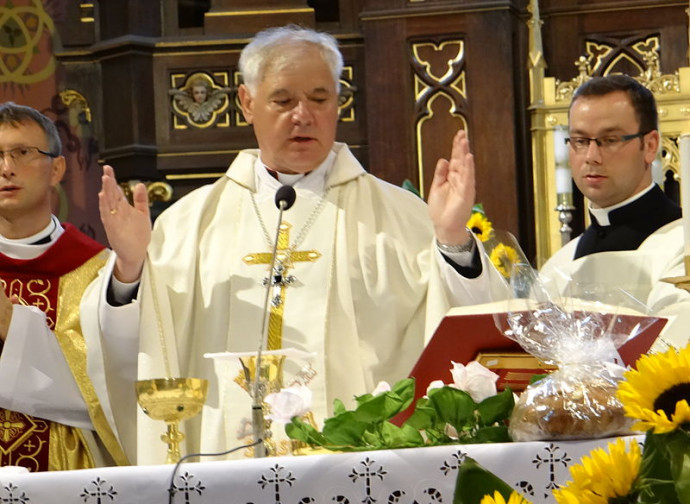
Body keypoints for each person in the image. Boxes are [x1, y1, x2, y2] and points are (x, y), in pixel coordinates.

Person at [91, 25, 501, 464]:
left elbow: (468, 332)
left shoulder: (400, 216)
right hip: (226, 466)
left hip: (361, 467)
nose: (303, 114)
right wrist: (131, 270)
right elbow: (134, 349)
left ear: (339, 103)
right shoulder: (189, 224)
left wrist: (454, 241)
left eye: (319, 99)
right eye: (283, 101)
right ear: (248, 103)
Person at [456, 74, 689, 351]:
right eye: (580, 140)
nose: (591, 155)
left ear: (650, 146)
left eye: (609, 139)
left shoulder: (682, 246)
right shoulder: (558, 267)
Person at [0, 102, 138, 471]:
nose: (5, 167)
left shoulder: (97, 272)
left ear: (56, 168)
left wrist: (16, 332)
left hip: (66, 470)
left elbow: (114, 389)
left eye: (22, 152)